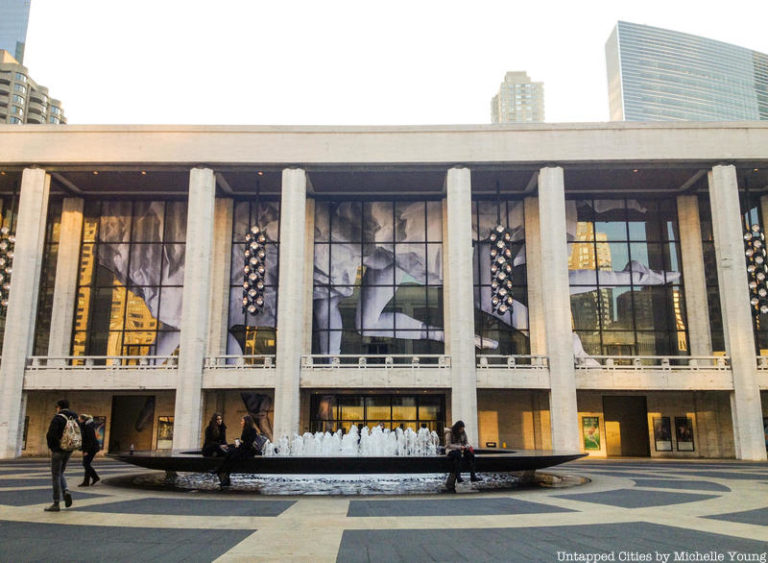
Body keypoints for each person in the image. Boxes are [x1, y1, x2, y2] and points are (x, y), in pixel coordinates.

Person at [45, 399, 78, 512]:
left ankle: (56, 503)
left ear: (59, 407)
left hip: (58, 450)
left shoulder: (58, 418)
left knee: (55, 475)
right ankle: (66, 490)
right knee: (61, 472)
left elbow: (51, 435)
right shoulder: (74, 417)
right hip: (69, 449)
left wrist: (53, 447)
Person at [216, 415, 259, 487]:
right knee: (230, 451)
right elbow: (246, 443)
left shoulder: (252, 430)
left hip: (248, 452)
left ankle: (220, 471)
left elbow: (248, 444)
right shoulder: (246, 429)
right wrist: (238, 444)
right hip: (244, 449)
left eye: (242, 421)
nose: (241, 422)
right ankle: (222, 472)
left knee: (231, 454)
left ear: (246, 422)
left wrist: (239, 445)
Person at [444, 420, 481, 490]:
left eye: (463, 429)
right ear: (457, 428)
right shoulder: (449, 433)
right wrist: (459, 447)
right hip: (451, 450)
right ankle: (458, 476)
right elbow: (448, 445)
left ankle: (473, 476)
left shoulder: (463, 433)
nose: (462, 430)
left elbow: (466, 442)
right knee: (457, 455)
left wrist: (467, 446)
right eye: (461, 429)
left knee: (471, 455)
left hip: (461, 449)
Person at [77, 414, 100, 487]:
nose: (78, 420)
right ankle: (86, 482)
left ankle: (95, 477)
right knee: (86, 464)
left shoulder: (88, 427)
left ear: (83, 420)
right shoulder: (85, 426)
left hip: (91, 448)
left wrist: (86, 451)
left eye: (79, 419)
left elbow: (90, 440)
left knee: (86, 464)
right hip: (88, 448)